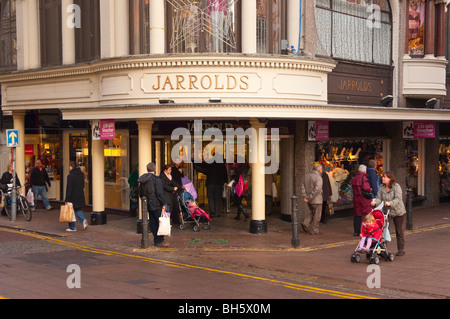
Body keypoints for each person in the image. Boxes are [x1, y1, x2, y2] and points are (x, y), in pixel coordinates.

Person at [371, 171, 406, 256]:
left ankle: (401, 249)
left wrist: (390, 203)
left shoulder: (396, 187)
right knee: (384, 230)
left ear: (390, 179)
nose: (382, 178)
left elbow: (398, 199)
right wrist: (375, 203)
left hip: (398, 211)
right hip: (386, 211)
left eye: (385, 177)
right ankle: (383, 249)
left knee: (399, 231)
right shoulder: (382, 187)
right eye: (382, 177)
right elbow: (379, 197)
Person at [138, 162, 168, 248]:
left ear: (147, 169)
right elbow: (159, 193)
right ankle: (159, 240)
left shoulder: (143, 179)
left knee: (153, 222)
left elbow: (141, 192)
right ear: (155, 170)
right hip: (156, 204)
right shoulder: (156, 179)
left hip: (147, 204)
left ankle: (157, 239)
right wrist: (163, 203)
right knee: (160, 222)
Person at [350, 165, 373, 236]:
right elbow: (366, 188)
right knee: (367, 214)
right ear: (364, 171)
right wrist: (370, 189)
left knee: (357, 215)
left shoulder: (354, 178)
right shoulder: (364, 178)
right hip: (364, 199)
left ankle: (356, 231)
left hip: (356, 199)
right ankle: (368, 230)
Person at [301, 164, 324, 235]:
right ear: (319, 170)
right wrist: (309, 197)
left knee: (313, 212)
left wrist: (305, 196)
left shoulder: (306, 176)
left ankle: (305, 223)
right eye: (322, 169)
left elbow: (302, 186)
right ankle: (315, 229)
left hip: (308, 199)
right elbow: (317, 189)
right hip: (316, 199)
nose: (322, 171)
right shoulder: (319, 178)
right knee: (317, 215)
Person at [64, 161, 87, 232]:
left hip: (72, 196)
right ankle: (83, 220)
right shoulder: (81, 175)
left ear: (71, 167)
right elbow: (83, 185)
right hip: (80, 195)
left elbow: (69, 188)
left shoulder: (70, 176)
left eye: (69, 167)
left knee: (70, 211)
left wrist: (67, 199)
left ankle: (72, 227)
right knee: (77, 209)